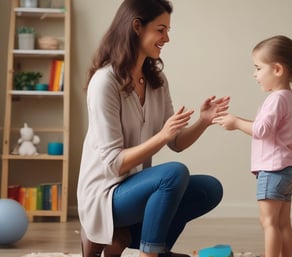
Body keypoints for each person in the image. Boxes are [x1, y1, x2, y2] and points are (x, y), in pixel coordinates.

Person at [76, 1, 230, 257]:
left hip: (134, 187)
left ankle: (155, 248)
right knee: (173, 174)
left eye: (167, 30)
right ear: (137, 27)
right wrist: (161, 136)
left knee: (209, 188)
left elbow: (176, 142)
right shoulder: (104, 82)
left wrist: (203, 120)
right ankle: (150, 253)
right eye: (161, 29)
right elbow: (115, 164)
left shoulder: (156, 81)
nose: (166, 38)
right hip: (105, 194)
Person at [213, 35, 292, 257]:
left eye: (258, 68)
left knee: (268, 222)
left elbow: (261, 130)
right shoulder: (286, 96)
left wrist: (235, 123)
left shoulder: (276, 99)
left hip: (273, 170)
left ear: (277, 69)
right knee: (282, 223)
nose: (255, 74)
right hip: (287, 170)